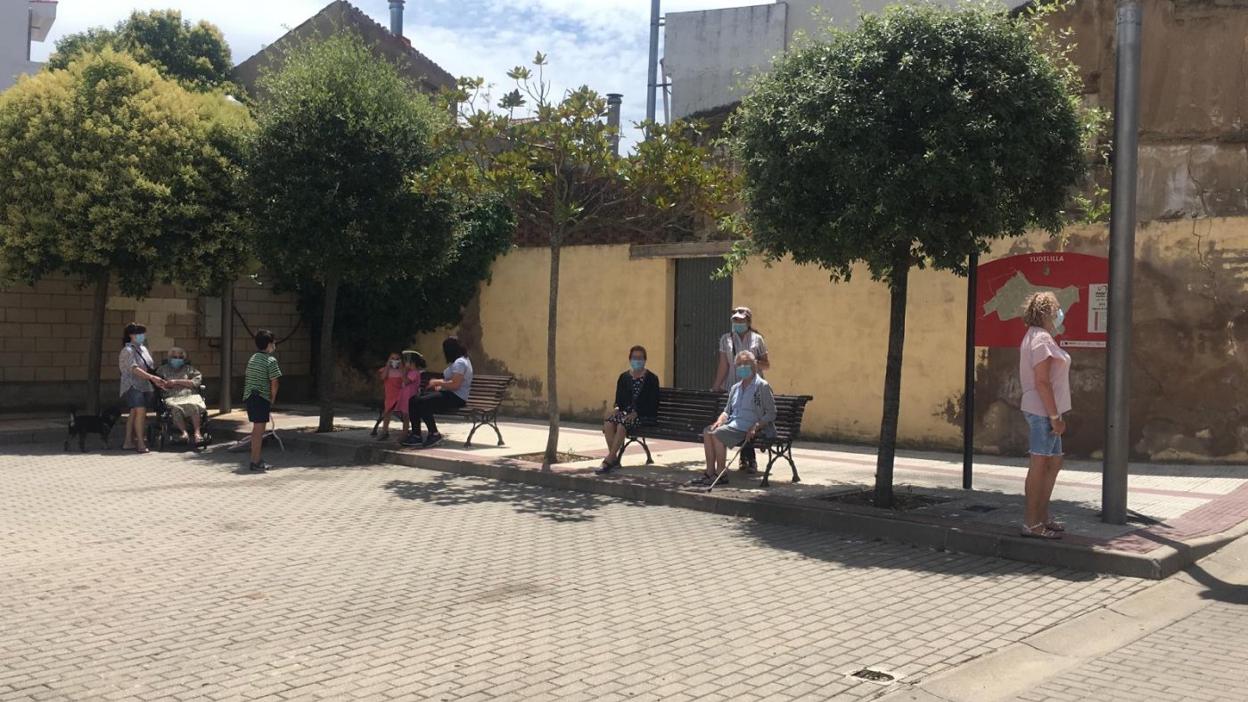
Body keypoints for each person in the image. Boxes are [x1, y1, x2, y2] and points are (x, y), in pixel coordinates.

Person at [1018, 291, 1072, 540]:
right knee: (1040, 465)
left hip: (1048, 412)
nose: (1060, 312)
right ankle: (1032, 523)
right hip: (1043, 413)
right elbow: (1042, 382)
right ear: (1047, 312)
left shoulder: (1041, 337)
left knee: (1054, 462)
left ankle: (1042, 517)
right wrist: (1054, 417)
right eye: (1057, 308)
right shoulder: (1040, 339)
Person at [696, 351, 776, 486]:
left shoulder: (762, 386)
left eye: (746, 364)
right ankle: (710, 472)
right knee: (708, 431)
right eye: (739, 364)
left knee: (718, 434)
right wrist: (720, 420)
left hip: (749, 426)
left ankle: (721, 474)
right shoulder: (735, 388)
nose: (742, 367)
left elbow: (771, 412)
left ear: (753, 365)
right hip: (734, 424)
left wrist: (756, 426)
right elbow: (727, 411)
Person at [712, 306, 771, 473]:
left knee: (749, 418)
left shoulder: (757, 339)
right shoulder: (726, 339)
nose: (738, 323)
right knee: (736, 419)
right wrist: (716, 385)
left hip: (753, 386)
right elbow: (724, 364)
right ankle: (744, 458)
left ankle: (748, 458)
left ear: (748, 321)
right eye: (735, 320)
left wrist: (752, 363)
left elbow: (767, 364)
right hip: (733, 386)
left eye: (741, 320)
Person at [597, 345, 660, 474]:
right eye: (635, 358)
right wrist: (616, 409)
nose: (637, 360)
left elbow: (653, 403)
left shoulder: (652, 379)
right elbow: (619, 400)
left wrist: (637, 413)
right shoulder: (624, 377)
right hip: (626, 414)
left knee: (622, 424)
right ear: (630, 359)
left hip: (644, 415)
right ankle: (613, 458)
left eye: (640, 358)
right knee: (609, 422)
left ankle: (610, 459)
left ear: (645, 360)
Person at [403, 337, 472, 449]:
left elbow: (455, 385)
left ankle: (434, 434)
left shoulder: (460, 363)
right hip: (450, 394)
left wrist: (437, 381)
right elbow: (451, 382)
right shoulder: (458, 361)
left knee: (422, 402)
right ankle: (416, 435)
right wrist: (441, 386)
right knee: (413, 400)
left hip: (457, 398)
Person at [118, 322, 165, 453]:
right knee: (140, 411)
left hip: (144, 385)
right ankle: (140, 443)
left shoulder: (143, 348)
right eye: (139, 333)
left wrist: (154, 378)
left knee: (134, 412)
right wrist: (152, 378)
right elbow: (134, 369)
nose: (142, 336)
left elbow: (149, 365)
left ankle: (128, 441)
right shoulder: (127, 350)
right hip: (132, 385)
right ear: (131, 335)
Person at [242, 329, 282, 473]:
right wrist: (273, 398)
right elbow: (274, 382)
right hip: (261, 398)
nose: (274, 345)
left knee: (256, 430)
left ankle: (255, 459)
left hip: (250, 397)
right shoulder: (271, 360)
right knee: (259, 431)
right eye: (274, 343)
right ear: (269, 344)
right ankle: (256, 461)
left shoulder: (253, 358)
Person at [156, 347, 206, 448]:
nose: (177, 359)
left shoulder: (189, 369)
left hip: (189, 395)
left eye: (180, 357)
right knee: (175, 408)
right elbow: (158, 383)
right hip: (172, 396)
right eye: (175, 357)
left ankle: (197, 434)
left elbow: (195, 382)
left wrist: (176, 382)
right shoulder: (162, 370)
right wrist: (165, 384)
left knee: (194, 405)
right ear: (170, 358)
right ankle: (184, 433)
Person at [377, 352, 405, 440]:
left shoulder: (402, 371)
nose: (395, 361)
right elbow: (383, 377)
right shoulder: (385, 370)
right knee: (387, 413)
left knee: (404, 414)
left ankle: (405, 432)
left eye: (397, 359)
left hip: (400, 394)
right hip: (390, 395)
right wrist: (388, 365)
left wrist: (401, 368)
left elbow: (405, 380)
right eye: (393, 358)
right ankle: (384, 432)